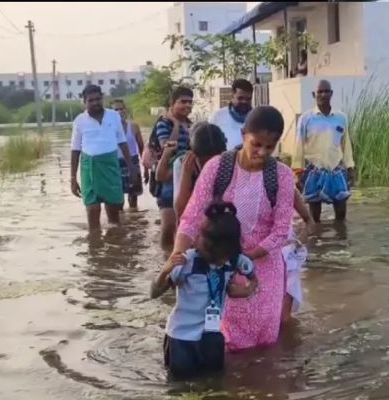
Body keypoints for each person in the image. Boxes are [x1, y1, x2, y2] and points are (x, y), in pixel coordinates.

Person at [171, 106, 295, 351]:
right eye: (256, 144)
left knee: (265, 344)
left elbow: (281, 230)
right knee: (223, 341)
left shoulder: (282, 176)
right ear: (243, 134)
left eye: (269, 148)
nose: (261, 152)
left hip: (263, 271)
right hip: (220, 263)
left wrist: (245, 258)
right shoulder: (217, 168)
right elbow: (191, 218)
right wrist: (177, 257)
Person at [150, 202, 258, 379]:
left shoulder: (236, 262)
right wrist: (165, 271)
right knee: (180, 387)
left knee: (214, 384)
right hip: (181, 338)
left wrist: (246, 290)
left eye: (225, 256)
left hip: (212, 336)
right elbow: (153, 293)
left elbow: (247, 283)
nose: (221, 260)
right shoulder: (187, 263)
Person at [70, 85, 139, 231]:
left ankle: (114, 248)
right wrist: (72, 179)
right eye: (91, 100)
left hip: (111, 166)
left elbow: (122, 142)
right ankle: (94, 246)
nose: (95, 102)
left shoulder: (113, 116)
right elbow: (75, 150)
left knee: (114, 213)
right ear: (85, 102)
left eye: (98, 99)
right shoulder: (80, 120)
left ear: (102, 98)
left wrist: (132, 168)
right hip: (90, 168)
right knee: (92, 209)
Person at [295, 80, 355, 223]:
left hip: (336, 169)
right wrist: (297, 172)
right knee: (314, 215)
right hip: (314, 169)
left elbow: (346, 144)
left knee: (341, 212)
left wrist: (350, 167)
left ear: (331, 94)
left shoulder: (341, 117)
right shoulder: (306, 118)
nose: (323, 94)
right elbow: (298, 146)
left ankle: (341, 242)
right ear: (314, 94)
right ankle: (316, 241)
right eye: (319, 91)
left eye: (326, 91)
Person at [150, 87, 194, 250]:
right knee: (168, 226)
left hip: (186, 175)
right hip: (167, 177)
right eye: (183, 102)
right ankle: (165, 258)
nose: (187, 105)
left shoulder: (191, 125)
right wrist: (175, 125)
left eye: (190, 102)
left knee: (185, 226)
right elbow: (167, 147)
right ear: (172, 103)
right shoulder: (164, 123)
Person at [111, 98, 144, 211]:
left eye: (121, 108)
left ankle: (134, 222)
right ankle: (122, 224)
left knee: (133, 198)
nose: (120, 111)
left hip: (133, 163)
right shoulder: (108, 128)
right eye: (116, 109)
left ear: (125, 110)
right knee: (118, 200)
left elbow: (141, 148)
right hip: (115, 164)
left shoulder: (133, 126)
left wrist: (146, 169)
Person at [208, 79, 253, 150]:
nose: (244, 102)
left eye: (248, 99)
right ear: (232, 96)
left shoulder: (257, 118)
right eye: (240, 98)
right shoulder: (217, 117)